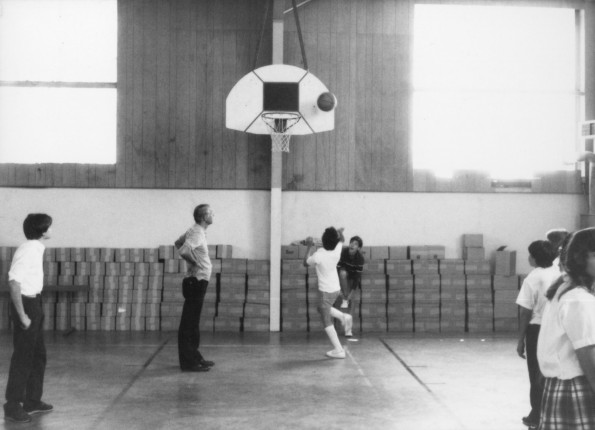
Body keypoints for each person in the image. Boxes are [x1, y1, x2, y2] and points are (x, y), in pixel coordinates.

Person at [537, 228, 595, 430]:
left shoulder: (565, 288)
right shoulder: (579, 298)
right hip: (579, 386)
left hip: (562, 386)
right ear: (581, 258)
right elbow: (587, 353)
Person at [4, 214, 54, 423]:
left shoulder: (36, 248)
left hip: (34, 302)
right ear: (42, 230)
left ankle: (32, 400)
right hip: (25, 304)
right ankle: (12, 405)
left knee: (38, 354)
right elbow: (14, 283)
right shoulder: (28, 249)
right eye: (49, 226)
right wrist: (23, 315)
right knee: (23, 356)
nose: (51, 229)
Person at [515, 240, 560, 428]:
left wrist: (520, 340)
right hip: (556, 327)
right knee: (553, 372)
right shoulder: (560, 273)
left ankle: (536, 414)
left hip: (537, 329)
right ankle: (553, 411)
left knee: (536, 373)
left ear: (534, 257)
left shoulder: (533, 278)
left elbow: (525, 311)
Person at [174, 204, 215, 372]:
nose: (213, 215)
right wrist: (195, 263)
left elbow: (177, 242)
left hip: (197, 280)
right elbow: (183, 249)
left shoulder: (195, 230)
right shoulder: (197, 232)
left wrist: (193, 263)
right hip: (197, 281)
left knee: (192, 322)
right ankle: (189, 362)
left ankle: (195, 357)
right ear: (204, 217)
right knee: (190, 323)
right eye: (211, 213)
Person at [303, 227, 353, 358]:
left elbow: (305, 262)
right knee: (321, 308)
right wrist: (340, 233)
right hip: (336, 289)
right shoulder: (337, 251)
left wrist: (309, 246)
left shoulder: (318, 255)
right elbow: (342, 239)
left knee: (326, 320)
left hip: (326, 291)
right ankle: (344, 317)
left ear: (323, 241)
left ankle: (339, 350)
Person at [337, 236, 365, 312]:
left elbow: (357, 277)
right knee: (342, 273)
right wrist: (338, 288)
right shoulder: (343, 252)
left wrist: (352, 293)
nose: (352, 245)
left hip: (352, 276)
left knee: (352, 297)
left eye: (355, 244)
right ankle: (345, 299)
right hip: (343, 274)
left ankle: (346, 299)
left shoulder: (360, 259)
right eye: (351, 243)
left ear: (358, 248)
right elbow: (336, 270)